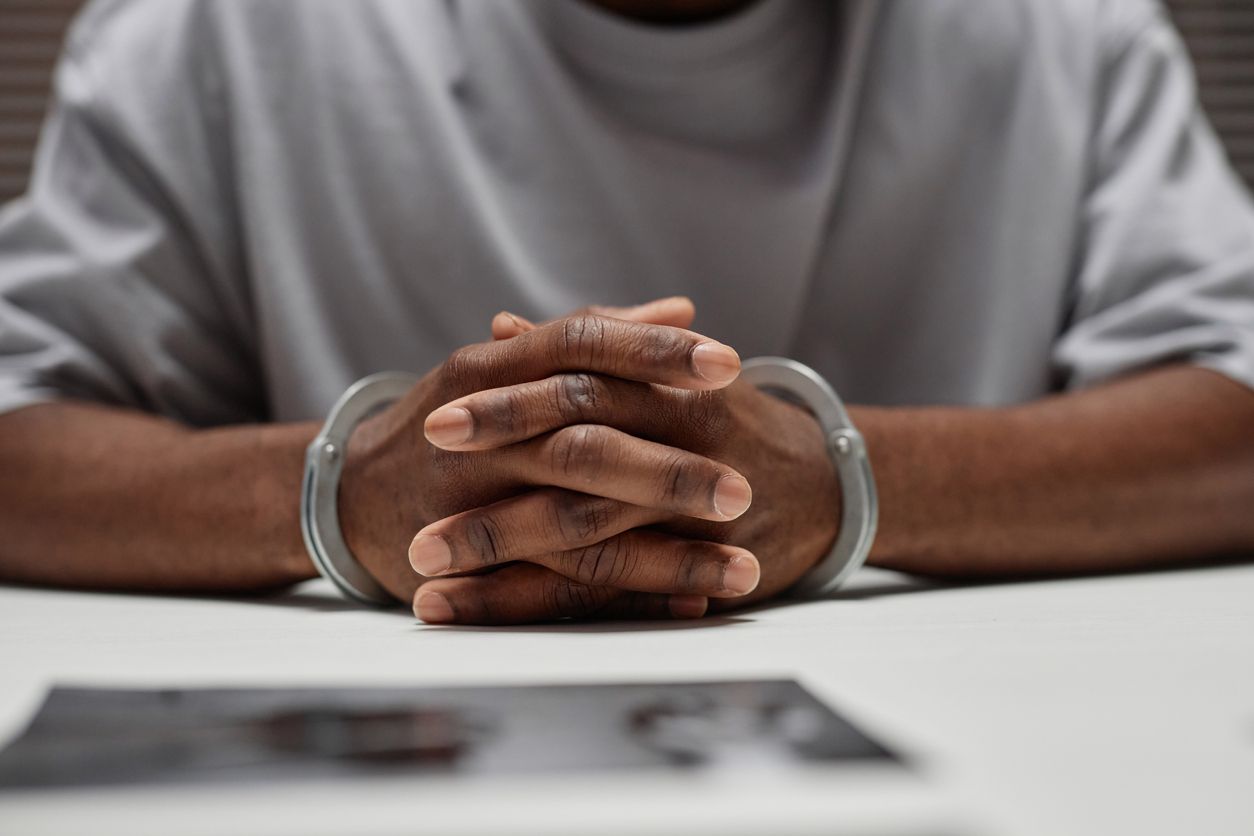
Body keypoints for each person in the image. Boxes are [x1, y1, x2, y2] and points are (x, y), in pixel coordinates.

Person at [1, 0, 1252, 625]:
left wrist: (840, 481)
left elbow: (1232, 417)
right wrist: (341, 489)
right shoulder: (219, 30)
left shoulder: (1061, 29)